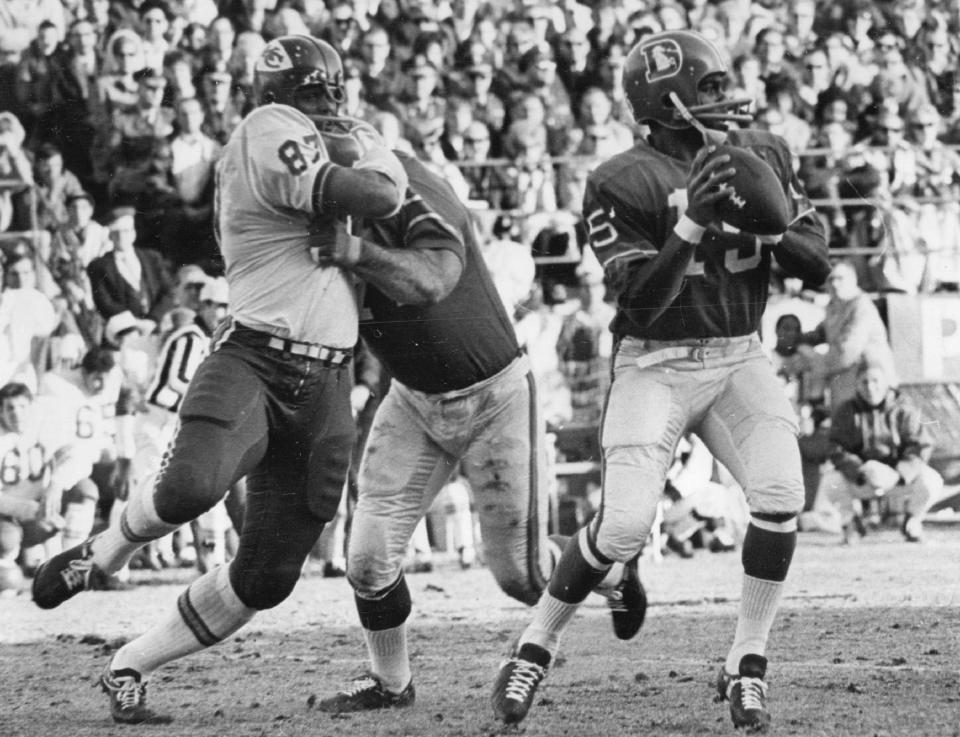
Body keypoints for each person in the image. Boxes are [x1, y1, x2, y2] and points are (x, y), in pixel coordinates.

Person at [30, 34, 409, 725]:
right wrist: (378, 147)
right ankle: (104, 549)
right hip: (257, 356)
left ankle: (128, 664)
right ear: (296, 97)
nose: (331, 108)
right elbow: (376, 194)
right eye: (322, 95)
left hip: (328, 381)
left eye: (333, 98)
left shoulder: (301, 134)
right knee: (190, 486)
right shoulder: (269, 128)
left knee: (265, 578)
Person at [491, 30, 831, 733]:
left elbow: (818, 263)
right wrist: (692, 221)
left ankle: (747, 661)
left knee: (781, 492)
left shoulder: (762, 151)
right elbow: (640, 302)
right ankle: (536, 641)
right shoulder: (621, 177)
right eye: (709, 88)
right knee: (620, 527)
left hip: (738, 353)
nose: (725, 98)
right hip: (655, 358)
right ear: (666, 99)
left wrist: (761, 220)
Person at [313, 150, 637, 714]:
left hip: (494, 394)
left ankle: (609, 571)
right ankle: (391, 682)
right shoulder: (304, 216)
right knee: (366, 560)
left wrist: (355, 253)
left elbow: (433, 279)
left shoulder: (405, 183)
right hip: (413, 399)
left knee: (525, 575)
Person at [823, 356, 945, 544]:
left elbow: (921, 446)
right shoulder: (846, 411)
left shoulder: (905, 410)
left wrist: (898, 473)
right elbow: (835, 447)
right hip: (863, 480)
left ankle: (912, 522)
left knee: (932, 481)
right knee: (830, 482)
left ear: (886, 382)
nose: (870, 387)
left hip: (898, 480)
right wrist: (859, 471)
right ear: (857, 384)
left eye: (875, 381)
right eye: (864, 382)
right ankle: (851, 524)